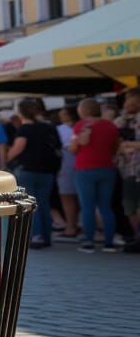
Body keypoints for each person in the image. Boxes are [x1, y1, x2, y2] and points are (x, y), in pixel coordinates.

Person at [6, 99, 61, 248]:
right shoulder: (48, 127)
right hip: (47, 171)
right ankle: (46, 236)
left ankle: (36, 236)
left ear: (20, 112)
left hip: (28, 170)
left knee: (31, 204)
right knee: (44, 203)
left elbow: (18, 148)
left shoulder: (25, 129)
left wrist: (6, 158)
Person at [70, 98, 120, 252]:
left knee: (87, 207)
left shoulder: (80, 125)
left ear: (83, 110)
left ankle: (88, 242)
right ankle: (109, 243)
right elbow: (115, 147)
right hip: (107, 168)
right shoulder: (111, 126)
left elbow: (73, 148)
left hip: (85, 169)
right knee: (106, 207)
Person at [116, 89, 140, 252]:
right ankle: (138, 237)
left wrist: (128, 145)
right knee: (130, 206)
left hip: (135, 169)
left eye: (130, 101)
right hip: (129, 170)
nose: (126, 105)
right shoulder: (123, 121)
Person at [55, 107, 80, 240]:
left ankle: (71, 227)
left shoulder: (60, 129)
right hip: (81, 164)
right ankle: (75, 225)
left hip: (66, 165)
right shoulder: (81, 127)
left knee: (67, 197)